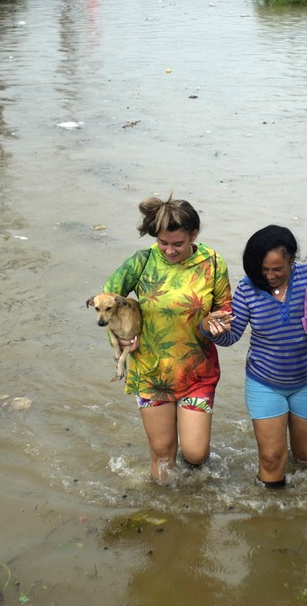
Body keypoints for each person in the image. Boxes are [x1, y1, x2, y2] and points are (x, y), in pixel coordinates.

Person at [103, 195, 232, 483]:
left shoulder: (212, 262)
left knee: (196, 454)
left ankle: (195, 495)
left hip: (197, 370)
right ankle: (163, 515)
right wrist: (120, 338)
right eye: (163, 243)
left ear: (194, 235)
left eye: (178, 244)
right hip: (151, 371)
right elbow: (106, 300)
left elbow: (225, 308)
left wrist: (216, 323)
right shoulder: (142, 261)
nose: (169, 251)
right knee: (162, 454)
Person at [211, 225, 307, 489]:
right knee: (272, 458)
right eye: (263, 269)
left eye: (278, 269)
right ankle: (272, 517)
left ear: (292, 260)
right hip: (265, 383)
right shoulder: (247, 288)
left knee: (306, 455)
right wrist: (211, 328)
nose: (270, 276)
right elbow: (230, 336)